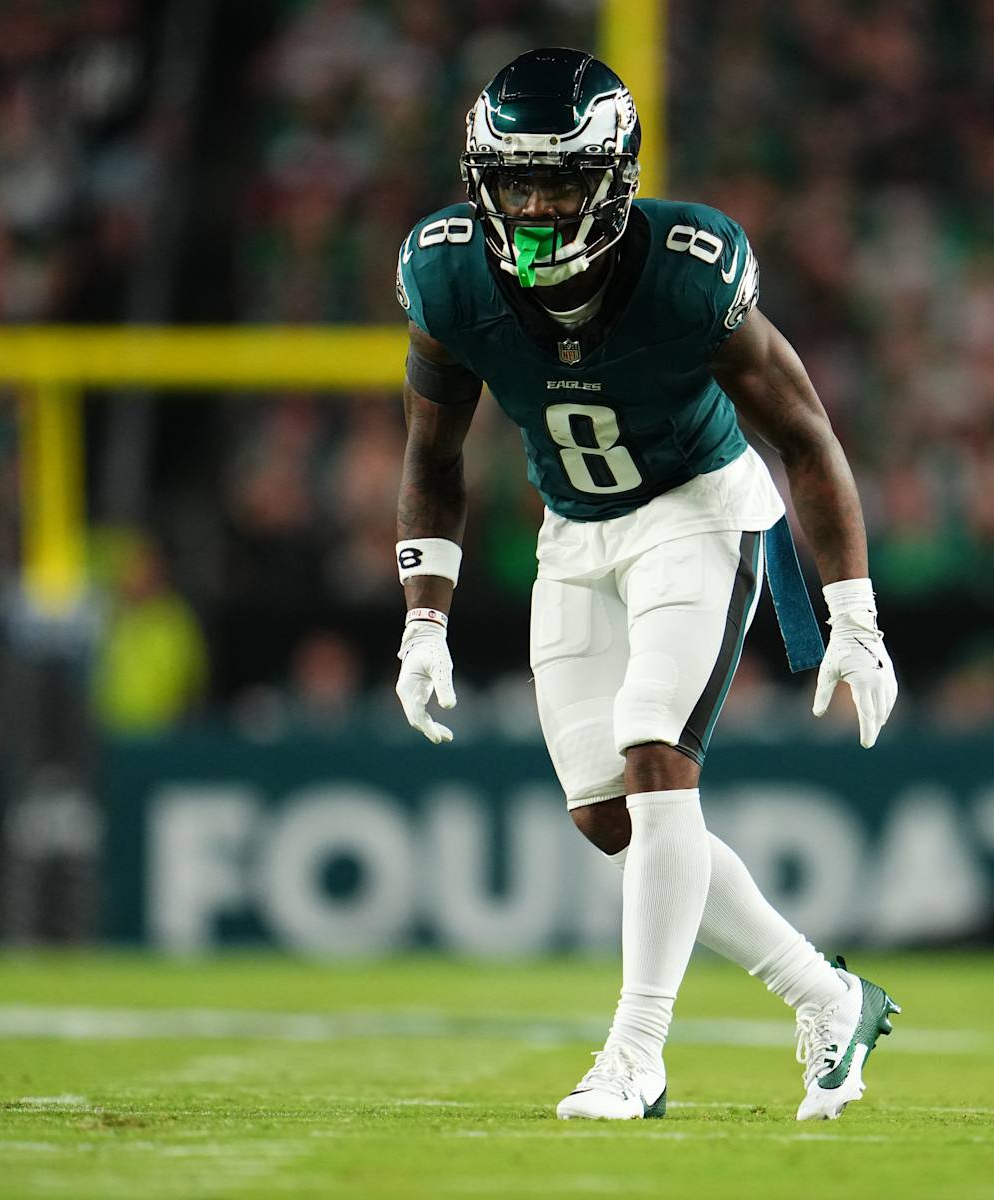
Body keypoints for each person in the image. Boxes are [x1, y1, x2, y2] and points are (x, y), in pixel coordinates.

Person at [390, 48, 899, 1121]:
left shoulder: (686, 268)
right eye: (514, 181)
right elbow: (433, 456)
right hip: (575, 533)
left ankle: (635, 1056)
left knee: (658, 757)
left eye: (559, 182)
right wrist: (421, 624)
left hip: (699, 510)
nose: (533, 206)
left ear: (612, 181)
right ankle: (828, 994)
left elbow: (804, 435)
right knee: (610, 819)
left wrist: (853, 611)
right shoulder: (445, 276)